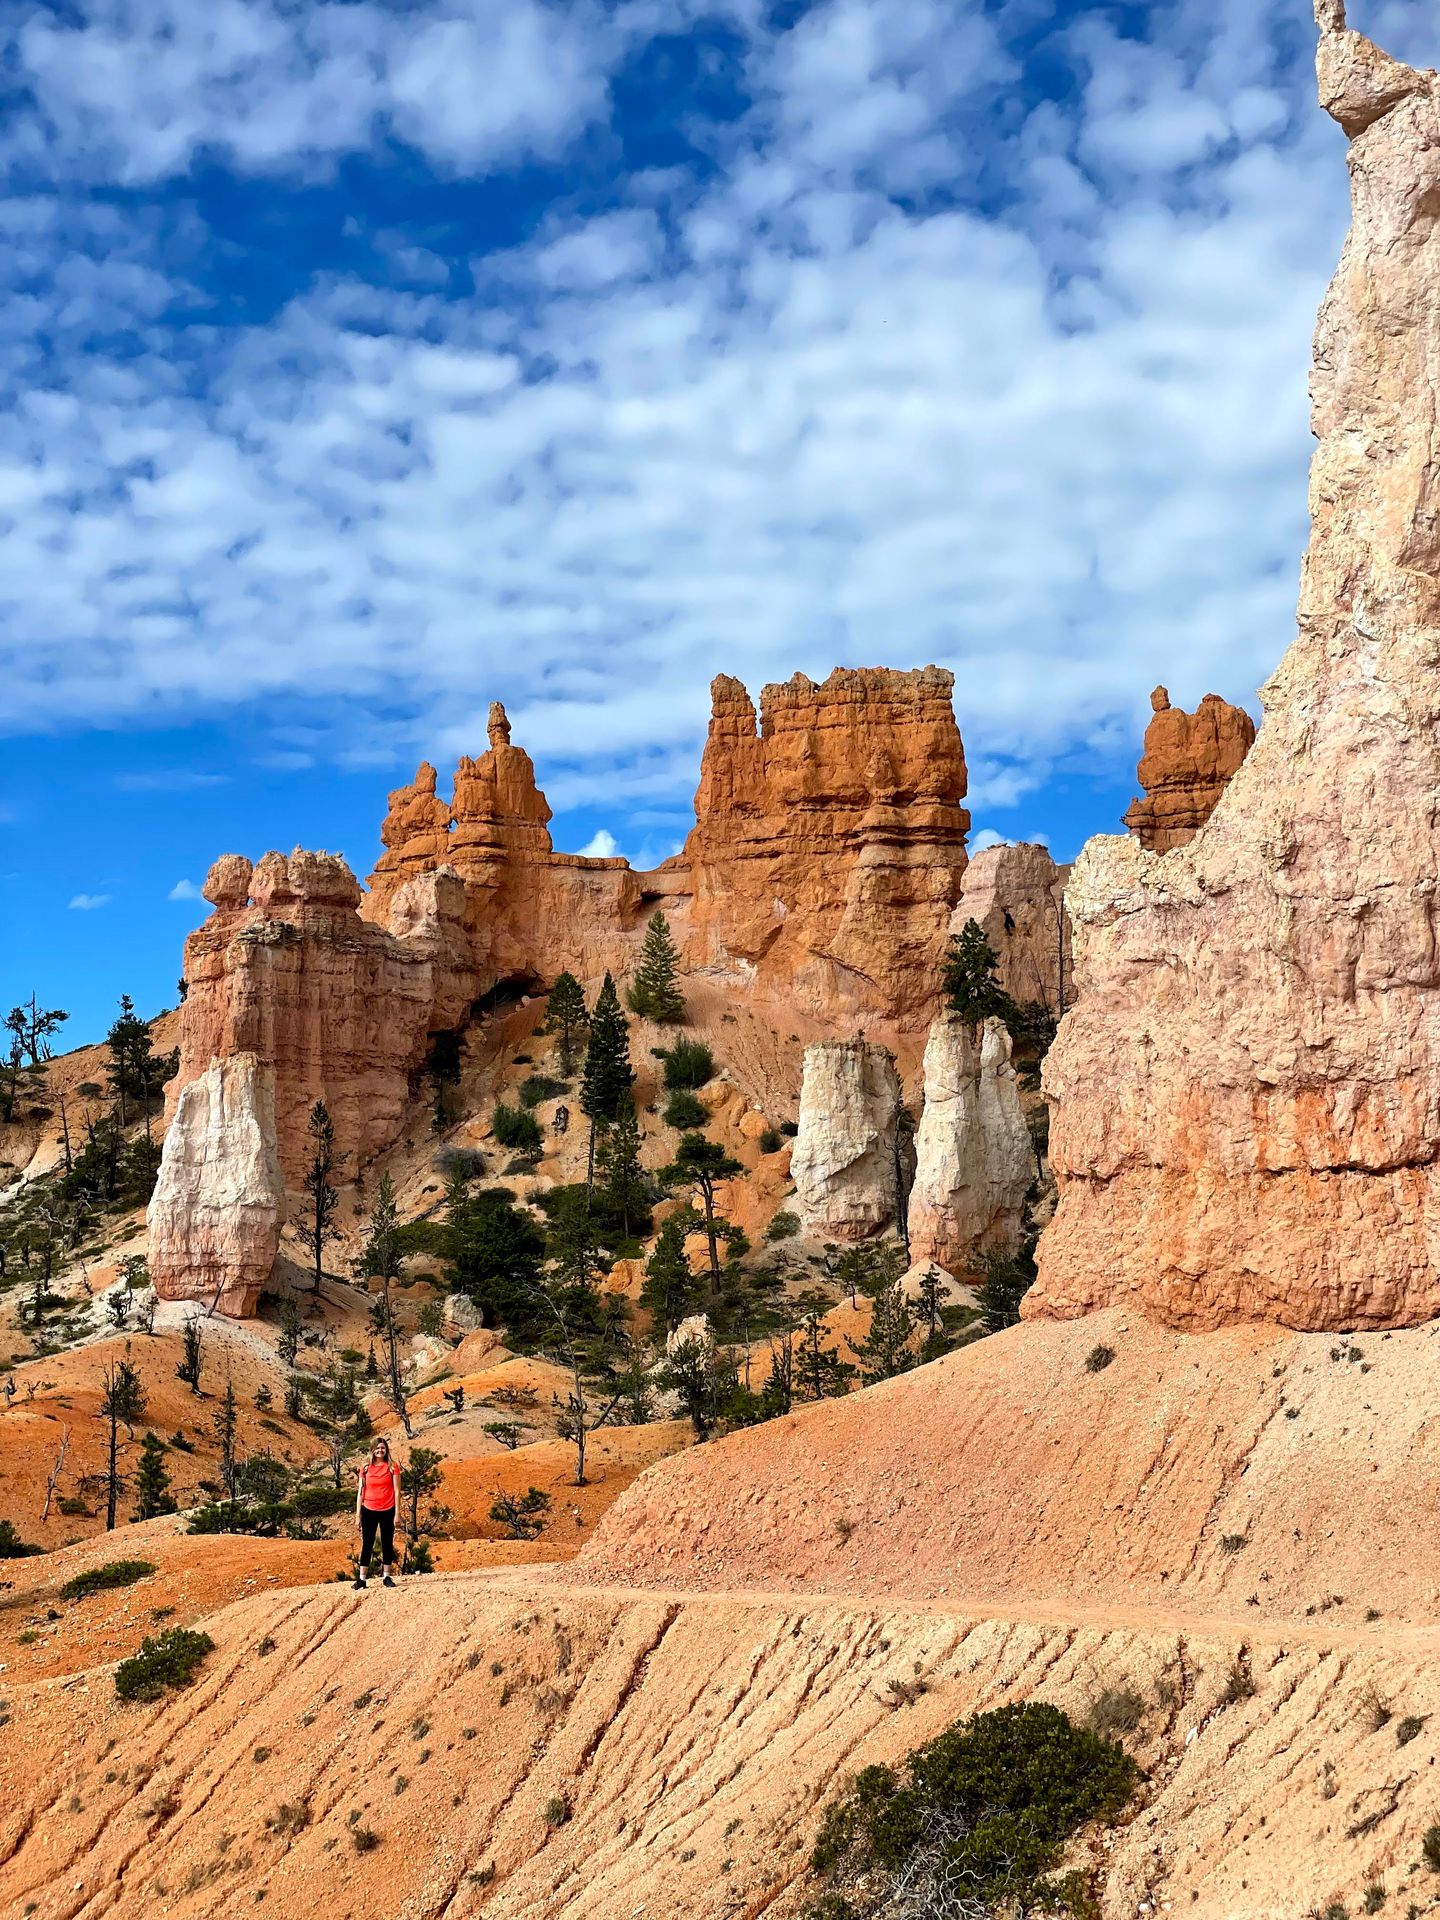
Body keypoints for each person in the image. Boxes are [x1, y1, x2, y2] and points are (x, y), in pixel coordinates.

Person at [354, 1437, 401, 1589]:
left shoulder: (392, 1467)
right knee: (367, 1543)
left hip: (388, 1509)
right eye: (377, 1448)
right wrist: (358, 1515)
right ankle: (362, 1579)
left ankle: (386, 1576)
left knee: (387, 1543)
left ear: (386, 1449)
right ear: (372, 1450)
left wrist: (397, 1513)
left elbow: (397, 1490)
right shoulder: (365, 1468)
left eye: (383, 1448)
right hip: (369, 1509)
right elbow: (360, 1492)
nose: (380, 1451)